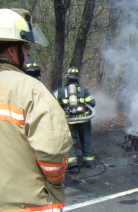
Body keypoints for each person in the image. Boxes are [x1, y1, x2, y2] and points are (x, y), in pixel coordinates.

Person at [0, 8, 72, 211]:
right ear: (12, 51)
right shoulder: (30, 89)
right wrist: (54, 182)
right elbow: (53, 153)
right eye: (25, 47)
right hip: (30, 205)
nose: (29, 53)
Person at [56, 66, 96, 174]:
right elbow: (92, 103)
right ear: (77, 78)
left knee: (71, 142)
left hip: (69, 122)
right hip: (84, 120)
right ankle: (90, 163)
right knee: (86, 140)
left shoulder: (61, 91)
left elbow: (56, 105)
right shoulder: (83, 90)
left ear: (68, 78)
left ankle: (73, 166)